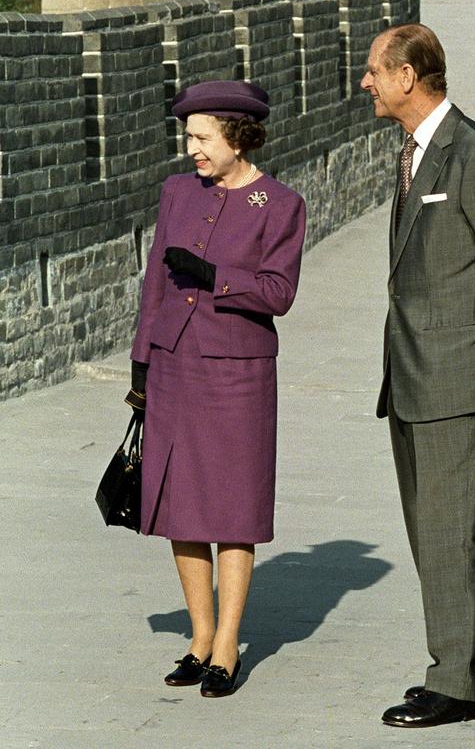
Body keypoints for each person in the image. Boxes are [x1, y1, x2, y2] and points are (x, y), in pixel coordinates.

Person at [360, 24, 475, 729]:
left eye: (374, 71)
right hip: (411, 371)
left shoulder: (473, 154)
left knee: (445, 529)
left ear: (409, 76)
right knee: (434, 529)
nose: (366, 83)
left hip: (454, 376)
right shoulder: (414, 153)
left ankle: (455, 687)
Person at [129, 79, 306, 697]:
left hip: (237, 373)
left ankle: (229, 645)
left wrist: (215, 276)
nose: (192, 149)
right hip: (175, 365)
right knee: (181, 504)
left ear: (237, 136)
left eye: (202, 137)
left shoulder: (280, 204)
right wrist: (140, 362)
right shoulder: (177, 192)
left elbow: (279, 294)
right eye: (187, 137)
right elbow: (155, 278)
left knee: (232, 509)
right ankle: (199, 637)